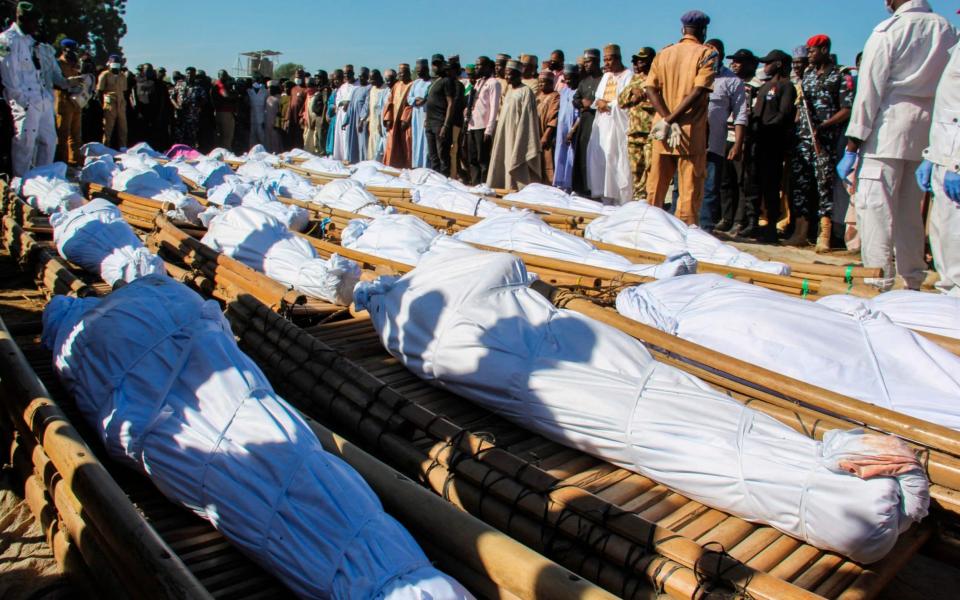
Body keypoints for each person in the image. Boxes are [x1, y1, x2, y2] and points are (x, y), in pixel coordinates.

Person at [839, 0, 957, 291]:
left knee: (875, 209)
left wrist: (853, 143)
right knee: (909, 214)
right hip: (930, 132)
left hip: (887, 129)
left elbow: (869, 89)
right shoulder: (947, 28)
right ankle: (912, 280)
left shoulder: (889, 29)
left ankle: (878, 281)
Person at [645, 10, 718, 225]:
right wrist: (673, 119)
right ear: (703, 31)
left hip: (662, 130)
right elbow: (699, 91)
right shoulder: (707, 54)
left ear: (682, 30)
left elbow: (650, 88)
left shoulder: (664, 53)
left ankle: (649, 229)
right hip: (689, 131)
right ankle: (686, 236)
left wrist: (666, 119)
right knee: (689, 190)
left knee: (655, 187)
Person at [784, 34, 853, 249]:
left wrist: (825, 125)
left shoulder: (841, 75)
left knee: (824, 185)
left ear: (824, 49)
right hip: (803, 138)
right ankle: (801, 231)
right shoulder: (808, 75)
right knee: (801, 184)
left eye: (812, 51)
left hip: (827, 140)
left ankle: (825, 234)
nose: (809, 55)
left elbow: (847, 109)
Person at [918, 31, 960, 295]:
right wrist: (932, 155)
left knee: (955, 237)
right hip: (944, 153)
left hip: (954, 158)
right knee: (942, 234)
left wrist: (957, 164)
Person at [698, 41, 747, 232]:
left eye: (714, 53)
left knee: (709, 189)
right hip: (691, 143)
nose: (710, 56)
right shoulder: (695, 75)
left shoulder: (732, 81)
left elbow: (740, 115)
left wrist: (737, 145)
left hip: (715, 144)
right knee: (683, 187)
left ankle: (705, 229)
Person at [751, 50, 798, 242]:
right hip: (758, 141)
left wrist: (767, 128)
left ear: (778, 64)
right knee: (755, 184)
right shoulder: (764, 86)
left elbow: (783, 114)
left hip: (773, 142)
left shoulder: (786, 86)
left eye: (768, 63)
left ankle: (771, 226)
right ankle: (754, 224)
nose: (765, 67)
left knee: (771, 185)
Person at [586, 44, 633, 204]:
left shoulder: (628, 75)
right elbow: (598, 97)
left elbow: (625, 100)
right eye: (604, 60)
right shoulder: (606, 76)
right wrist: (599, 102)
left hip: (617, 124)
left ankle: (619, 198)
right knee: (600, 157)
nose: (606, 63)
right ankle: (604, 196)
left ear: (618, 59)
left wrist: (609, 105)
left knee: (615, 157)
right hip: (603, 122)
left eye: (609, 59)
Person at [487, 59, 541, 190]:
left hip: (516, 136)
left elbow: (527, 119)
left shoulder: (526, 91)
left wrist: (520, 139)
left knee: (514, 160)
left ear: (518, 74)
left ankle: (515, 189)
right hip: (504, 134)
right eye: (505, 73)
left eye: (510, 73)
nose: (506, 77)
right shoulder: (509, 90)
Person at [617, 47, 656, 200]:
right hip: (634, 130)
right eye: (637, 60)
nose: (639, 63)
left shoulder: (658, 78)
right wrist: (632, 92)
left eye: (643, 60)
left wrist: (645, 98)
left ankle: (649, 198)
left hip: (651, 131)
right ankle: (638, 197)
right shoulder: (636, 79)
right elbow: (621, 102)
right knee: (635, 168)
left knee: (650, 166)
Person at [464, 56, 501, 185]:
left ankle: (483, 185)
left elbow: (494, 107)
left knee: (483, 160)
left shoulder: (493, 83)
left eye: (479, 65)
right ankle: (475, 185)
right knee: (472, 159)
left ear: (488, 67)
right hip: (472, 125)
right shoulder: (478, 82)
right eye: (476, 65)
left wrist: (489, 129)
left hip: (483, 127)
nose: (477, 67)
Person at [571, 48, 602, 196]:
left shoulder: (604, 80)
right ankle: (582, 188)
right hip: (585, 123)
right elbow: (575, 99)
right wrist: (583, 103)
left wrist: (593, 103)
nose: (586, 65)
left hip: (598, 123)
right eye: (585, 62)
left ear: (597, 61)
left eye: (589, 62)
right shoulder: (584, 82)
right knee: (583, 155)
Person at [423, 55, 455, 174]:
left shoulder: (447, 81)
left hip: (440, 123)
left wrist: (445, 125)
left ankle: (444, 184)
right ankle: (436, 185)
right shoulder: (434, 81)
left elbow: (450, 103)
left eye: (438, 64)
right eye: (434, 64)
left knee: (443, 157)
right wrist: (426, 119)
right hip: (430, 123)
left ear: (443, 65)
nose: (435, 67)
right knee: (433, 157)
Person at [54, 39, 82, 165]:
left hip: (75, 102)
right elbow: (56, 82)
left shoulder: (75, 64)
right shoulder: (58, 64)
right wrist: (71, 83)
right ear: (64, 49)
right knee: (63, 134)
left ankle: (75, 159)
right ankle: (62, 162)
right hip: (64, 102)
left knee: (76, 133)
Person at [554, 64, 580, 191]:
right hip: (561, 129)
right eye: (565, 79)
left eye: (570, 78)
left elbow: (580, 115)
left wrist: (572, 130)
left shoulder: (579, 91)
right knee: (560, 155)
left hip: (573, 128)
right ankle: (560, 183)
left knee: (571, 156)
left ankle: (569, 185)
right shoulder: (564, 91)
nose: (568, 81)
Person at [383, 63, 413, 167]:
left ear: (408, 73)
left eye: (403, 73)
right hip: (393, 121)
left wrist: (405, 119)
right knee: (392, 143)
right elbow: (389, 102)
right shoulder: (396, 85)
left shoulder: (411, 85)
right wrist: (388, 118)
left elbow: (410, 105)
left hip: (405, 122)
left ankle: (406, 166)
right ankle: (392, 165)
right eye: (399, 73)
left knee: (406, 143)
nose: (400, 75)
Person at [98, 55, 128, 148]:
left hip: (121, 103)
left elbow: (124, 90)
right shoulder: (105, 75)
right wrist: (102, 104)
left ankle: (123, 147)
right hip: (110, 102)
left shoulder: (122, 76)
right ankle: (105, 146)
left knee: (123, 127)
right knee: (108, 127)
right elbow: (99, 90)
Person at [171, 66, 205, 148]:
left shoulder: (199, 86)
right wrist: (177, 106)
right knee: (179, 136)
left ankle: (191, 152)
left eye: (192, 74)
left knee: (192, 136)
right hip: (180, 114)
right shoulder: (179, 84)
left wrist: (196, 106)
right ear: (185, 74)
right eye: (188, 73)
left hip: (192, 115)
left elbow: (204, 99)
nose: (190, 75)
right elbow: (172, 97)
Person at [407, 58, 431, 168]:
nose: (417, 72)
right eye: (416, 70)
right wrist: (415, 100)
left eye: (419, 70)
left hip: (426, 115)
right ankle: (416, 165)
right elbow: (409, 98)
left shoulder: (431, 83)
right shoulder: (415, 83)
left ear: (426, 69)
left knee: (425, 142)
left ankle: (426, 166)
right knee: (416, 140)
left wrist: (425, 100)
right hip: (416, 115)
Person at [536, 70, 560, 183]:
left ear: (551, 83)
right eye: (539, 82)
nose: (541, 84)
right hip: (536, 134)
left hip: (547, 136)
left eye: (544, 82)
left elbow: (554, 118)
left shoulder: (555, 96)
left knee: (548, 163)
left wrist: (546, 135)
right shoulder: (538, 96)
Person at [345, 66, 371, 162]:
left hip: (362, 120)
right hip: (353, 119)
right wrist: (346, 120)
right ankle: (353, 161)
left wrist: (361, 119)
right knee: (353, 141)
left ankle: (363, 163)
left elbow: (367, 105)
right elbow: (350, 105)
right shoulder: (356, 89)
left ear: (367, 77)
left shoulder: (370, 88)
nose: (361, 78)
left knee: (362, 143)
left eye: (363, 76)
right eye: (360, 76)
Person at [446, 55, 466, 178]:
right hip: (446, 122)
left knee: (453, 150)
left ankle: (453, 176)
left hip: (454, 123)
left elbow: (456, 104)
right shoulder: (446, 83)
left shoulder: (458, 85)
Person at [332, 65, 356, 160]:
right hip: (342, 115)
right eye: (345, 74)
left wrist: (349, 103)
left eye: (348, 73)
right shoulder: (342, 87)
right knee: (341, 138)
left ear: (353, 73)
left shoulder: (358, 85)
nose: (346, 75)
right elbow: (338, 101)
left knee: (349, 137)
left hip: (352, 116)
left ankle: (349, 158)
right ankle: (341, 157)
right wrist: (344, 103)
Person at [212, 70, 237, 150]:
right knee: (227, 136)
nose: (227, 78)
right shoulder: (220, 85)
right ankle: (227, 153)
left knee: (221, 136)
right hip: (225, 113)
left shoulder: (215, 84)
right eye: (225, 76)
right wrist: (235, 94)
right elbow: (226, 95)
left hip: (219, 112)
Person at [367, 69, 389, 161]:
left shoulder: (386, 89)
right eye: (370, 79)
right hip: (372, 122)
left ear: (379, 78)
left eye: (372, 79)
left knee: (380, 146)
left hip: (381, 123)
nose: (371, 82)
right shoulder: (372, 89)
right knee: (372, 146)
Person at [285, 69, 307, 149]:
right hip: (292, 118)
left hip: (300, 118)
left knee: (299, 138)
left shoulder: (306, 89)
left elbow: (306, 105)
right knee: (290, 138)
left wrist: (302, 116)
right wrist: (287, 119)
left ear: (303, 77)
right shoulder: (293, 89)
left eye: (300, 76)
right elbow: (290, 104)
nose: (297, 78)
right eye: (296, 76)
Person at [325, 70, 343, 156]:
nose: (336, 81)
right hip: (332, 119)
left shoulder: (344, 90)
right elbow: (330, 103)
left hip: (339, 118)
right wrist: (327, 113)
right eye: (334, 79)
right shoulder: (334, 91)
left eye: (338, 79)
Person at [247, 75, 268, 148]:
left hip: (261, 119)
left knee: (262, 139)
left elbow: (266, 106)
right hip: (251, 119)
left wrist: (265, 120)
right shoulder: (249, 91)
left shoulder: (265, 91)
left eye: (257, 80)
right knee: (252, 139)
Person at [264, 80, 283, 153]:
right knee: (267, 140)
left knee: (276, 140)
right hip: (267, 122)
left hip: (275, 123)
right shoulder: (267, 98)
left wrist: (277, 123)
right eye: (268, 88)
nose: (269, 90)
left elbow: (280, 112)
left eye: (271, 88)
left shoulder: (279, 98)